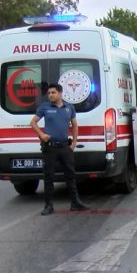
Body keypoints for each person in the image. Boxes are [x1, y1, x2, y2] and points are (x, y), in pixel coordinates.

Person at [30, 83, 89, 216]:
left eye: (53, 92)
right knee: (49, 177)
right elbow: (33, 122)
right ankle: (48, 205)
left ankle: (75, 203)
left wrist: (74, 142)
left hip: (64, 147)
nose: (50, 95)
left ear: (60, 93)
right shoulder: (45, 107)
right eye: (49, 93)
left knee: (70, 175)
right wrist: (42, 134)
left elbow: (74, 126)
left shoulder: (69, 108)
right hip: (50, 148)